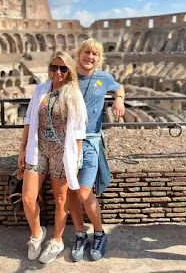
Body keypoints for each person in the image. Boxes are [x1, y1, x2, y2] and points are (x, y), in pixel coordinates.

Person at [18, 50, 87, 264]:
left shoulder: (73, 94)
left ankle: (57, 240)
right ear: (49, 69)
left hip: (61, 151)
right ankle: (37, 234)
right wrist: (22, 148)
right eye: (54, 67)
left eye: (63, 68)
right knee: (28, 198)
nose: (58, 72)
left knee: (60, 199)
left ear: (69, 71)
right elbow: (29, 118)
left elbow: (78, 129)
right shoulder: (40, 89)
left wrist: (75, 160)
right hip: (38, 148)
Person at [68, 38, 125, 261]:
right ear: (79, 54)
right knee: (72, 191)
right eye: (86, 53)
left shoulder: (104, 78)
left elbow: (119, 87)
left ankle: (99, 233)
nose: (90, 57)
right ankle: (80, 234)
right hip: (67, 143)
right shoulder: (68, 76)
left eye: (94, 54)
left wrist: (119, 99)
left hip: (90, 142)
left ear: (99, 58)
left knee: (83, 191)